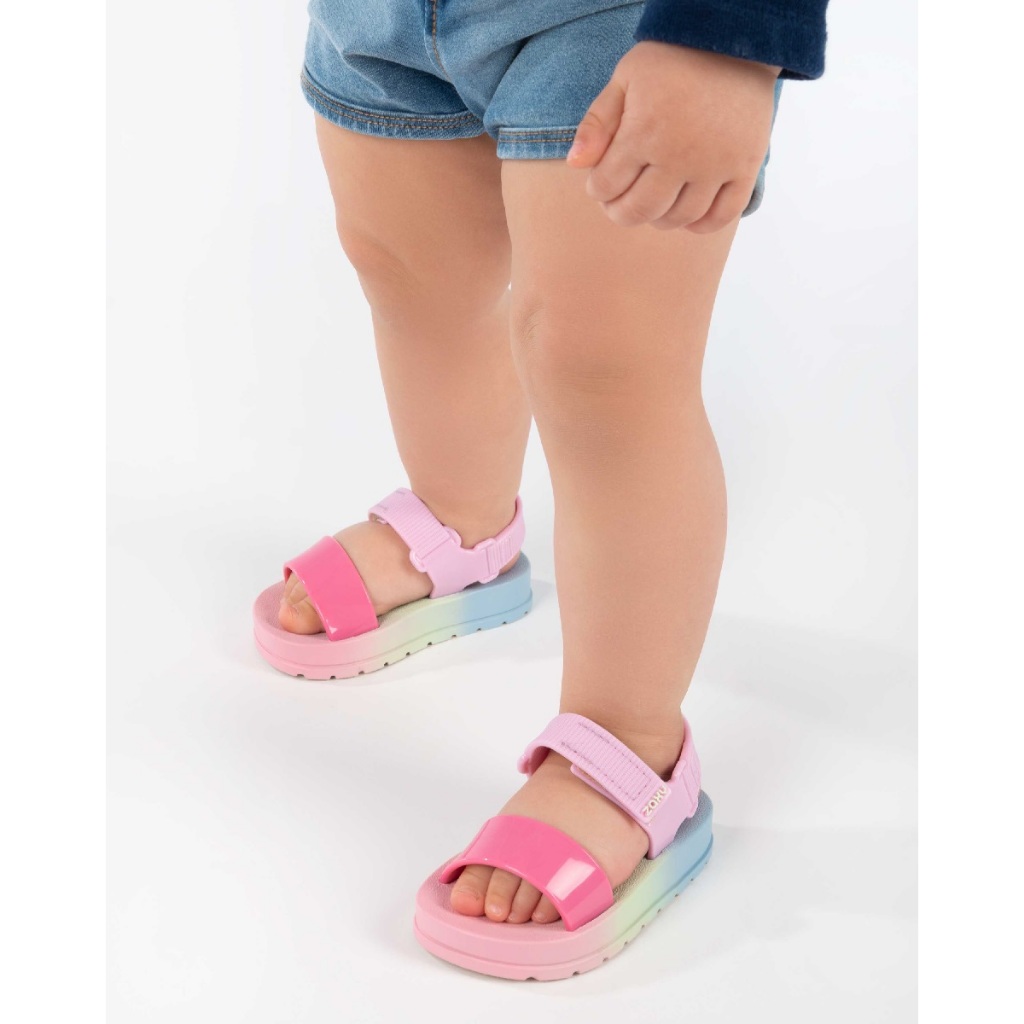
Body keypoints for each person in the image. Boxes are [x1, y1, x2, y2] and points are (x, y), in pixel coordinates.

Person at [252, 0, 829, 979]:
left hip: (618, 21)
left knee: (606, 367)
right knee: (409, 268)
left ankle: (629, 744)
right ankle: (460, 521)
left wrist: (732, 35)